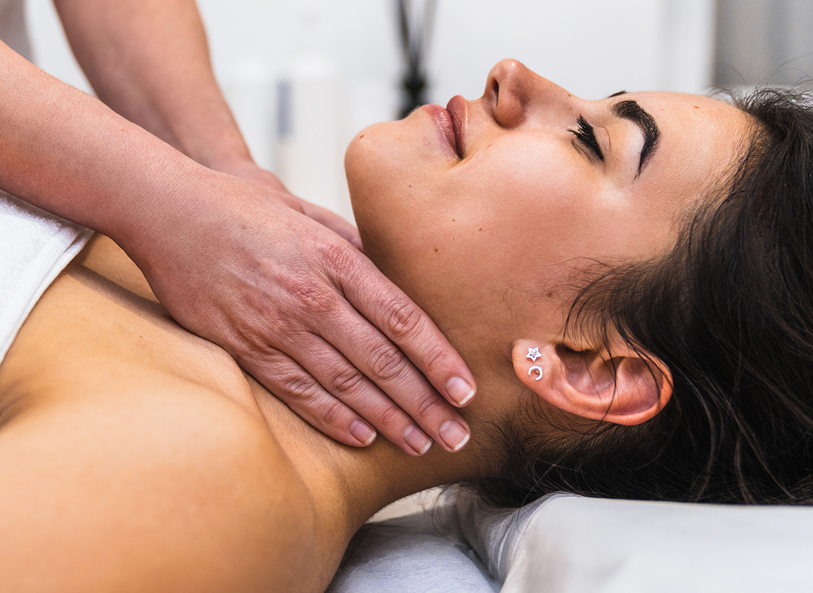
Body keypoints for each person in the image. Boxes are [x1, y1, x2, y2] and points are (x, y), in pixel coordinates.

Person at [0, 59, 813, 593]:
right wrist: (180, 181)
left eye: (588, 140)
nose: (517, 78)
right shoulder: (190, 250)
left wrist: (158, 186)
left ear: (583, 368)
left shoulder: (213, 480)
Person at [0, 0, 477, 456]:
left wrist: (219, 169)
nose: (509, 76)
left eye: (558, 138)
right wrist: (170, 201)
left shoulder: (214, 443)